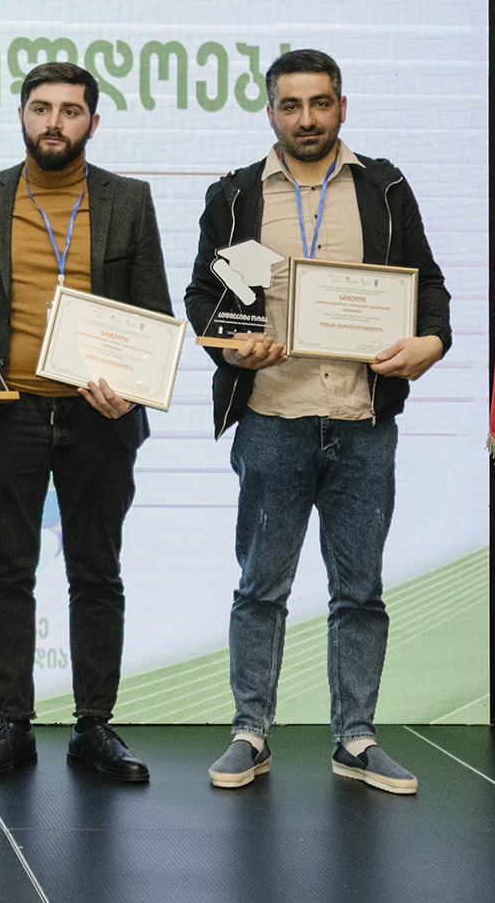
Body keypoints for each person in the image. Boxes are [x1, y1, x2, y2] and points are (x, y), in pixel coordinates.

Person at [184, 48, 449, 795]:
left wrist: (429, 343)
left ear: (342, 107)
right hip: (273, 412)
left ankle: (356, 738)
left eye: (321, 103)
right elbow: (204, 294)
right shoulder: (236, 193)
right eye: (291, 105)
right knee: (260, 586)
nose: (307, 118)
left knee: (360, 590)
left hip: (362, 417)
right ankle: (250, 733)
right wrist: (231, 346)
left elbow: (428, 285)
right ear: (271, 111)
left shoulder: (384, 187)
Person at [0, 61, 169, 783]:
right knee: (8, 569)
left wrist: (133, 389)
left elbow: (153, 312)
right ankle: (13, 725)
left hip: (99, 417)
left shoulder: (129, 200)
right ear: (22, 116)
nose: (54, 122)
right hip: (9, 413)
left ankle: (94, 726)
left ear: (93, 121)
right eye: (41, 108)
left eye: (70, 110)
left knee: (98, 571)